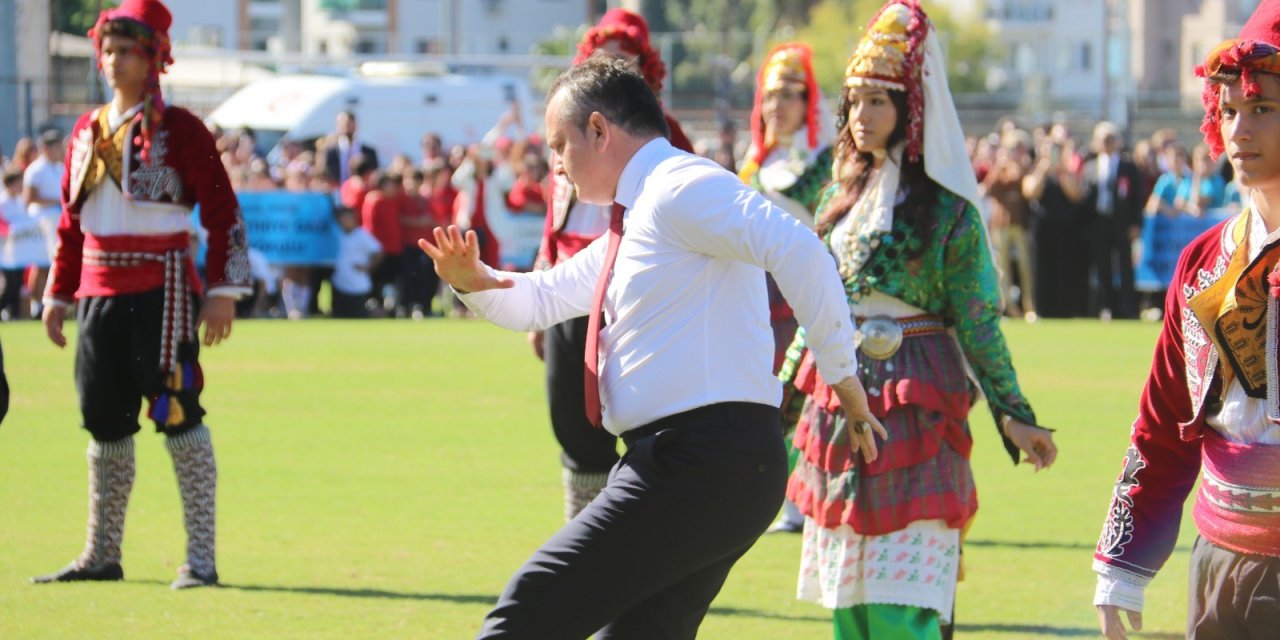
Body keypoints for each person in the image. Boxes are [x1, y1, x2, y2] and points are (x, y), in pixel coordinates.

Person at [420, 53, 883, 639]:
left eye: (560, 146)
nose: (556, 166)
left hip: (700, 460)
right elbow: (541, 299)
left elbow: (802, 250)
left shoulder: (679, 187)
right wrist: (472, 280)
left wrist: (843, 379)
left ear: (598, 130)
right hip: (700, 462)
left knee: (530, 605)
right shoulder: (641, 212)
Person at [776, 3, 1058, 637]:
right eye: (855, 101)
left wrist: (1013, 413)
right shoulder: (837, 199)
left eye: (878, 100)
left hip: (918, 397)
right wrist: (780, 402)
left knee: (906, 586)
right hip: (839, 393)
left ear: (911, 106)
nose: (862, 114)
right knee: (849, 593)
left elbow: (978, 321)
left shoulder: (949, 212)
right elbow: (816, 312)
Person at [33, 0, 250, 589]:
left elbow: (224, 212)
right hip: (97, 295)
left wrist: (223, 291)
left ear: (154, 58)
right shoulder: (86, 130)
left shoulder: (182, 130)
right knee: (104, 424)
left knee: (178, 415)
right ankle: (101, 553)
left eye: (127, 50)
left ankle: (200, 559)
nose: (114, 61)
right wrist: (57, 294)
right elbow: (70, 224)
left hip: (163, 294)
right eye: (108, 50)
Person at [1093, 1, 1280, 636]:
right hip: (1219, 566)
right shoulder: (1204, 262)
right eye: (1229, 111)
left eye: (1263, 109)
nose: (1240, 130)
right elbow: (1163, 420)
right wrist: (1122, 563)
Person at [531, 7, 698, 522]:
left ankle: (640, 530)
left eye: (624, 64)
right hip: (567, 285)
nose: (611, 74)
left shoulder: (663, 135)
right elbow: (554, 215)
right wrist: (540, 279)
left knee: (640, 417)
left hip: (627, 288)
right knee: (570, 421)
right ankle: (583, 529)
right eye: (601, 63)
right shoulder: (568, 131)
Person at [737, 41, 835, 534]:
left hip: (800, 292)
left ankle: (801, 499)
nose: (777, 105)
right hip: (754, 291)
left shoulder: (826, 160)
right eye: (770, 95)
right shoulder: (754, 161)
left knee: (801, 391)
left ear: (808, 101)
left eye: (789, 95)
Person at [1081, 121, 1144, 320]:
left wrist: (1136, 223)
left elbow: (1137, 197)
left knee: (1125, 266)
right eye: (1103, 139)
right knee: (1103, 267)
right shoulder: (1090, 166)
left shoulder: (1128, 166)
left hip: (1122, 223)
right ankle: (1108, 306)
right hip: (1099, 222)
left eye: (1111, 139)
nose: (1107, 143)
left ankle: (1128, 307)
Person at [982, 130, 1037, 320]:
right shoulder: (1001, 168)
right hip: (1001, 224)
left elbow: (1028, 190)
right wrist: (1000, 166)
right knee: (1002, 268)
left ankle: (1029, 306)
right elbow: (989, 188)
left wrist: (1021, 167)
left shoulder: (1026, 169)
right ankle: (1007, 307)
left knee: (1025, 266)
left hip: (1020, 223)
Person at [23, 129, 65, 318]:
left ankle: (49, 302)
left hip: (57, 220)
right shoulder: (36, 169)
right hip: (41, 221)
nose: (60, 150)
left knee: (53, 263)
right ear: (46, 148)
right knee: (41, 265)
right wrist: (55, 202)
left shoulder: (59, 167)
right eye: (56, 147)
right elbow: (29, 198)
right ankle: (36, 304)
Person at [331, 207, 382, 319]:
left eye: (345, 218)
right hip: (340, 284)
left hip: (357, 287)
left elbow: (378, 252)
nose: (343, 221)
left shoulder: (362, 235)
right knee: (339, 317)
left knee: (358, 316)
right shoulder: (338, 235)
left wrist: (368, 267)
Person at [323, 110, 379, 185]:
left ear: (355, 125)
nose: (345, 126)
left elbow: (374, 177)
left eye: (348, 123)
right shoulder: (330, 152)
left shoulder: (369, 152)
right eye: (342, 123)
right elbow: (325, 176)